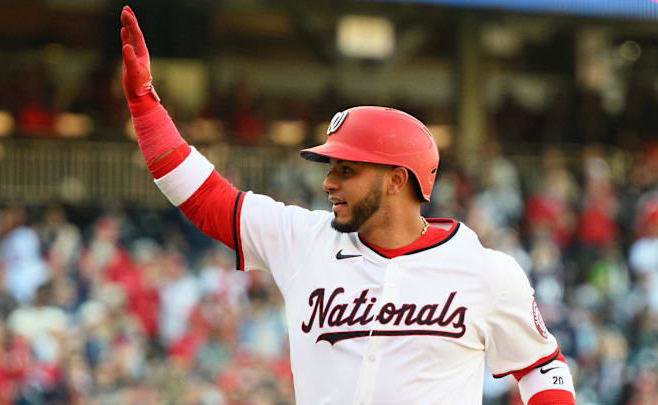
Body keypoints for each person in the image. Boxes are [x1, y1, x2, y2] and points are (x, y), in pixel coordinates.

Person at [119, 6, 575, 404]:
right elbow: (205, 199)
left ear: (398, 180)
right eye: (332, 167)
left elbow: (542, 367)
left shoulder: (486, 272)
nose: (328, 182)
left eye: (347, 170)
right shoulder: (304, 241)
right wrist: (144, 104)